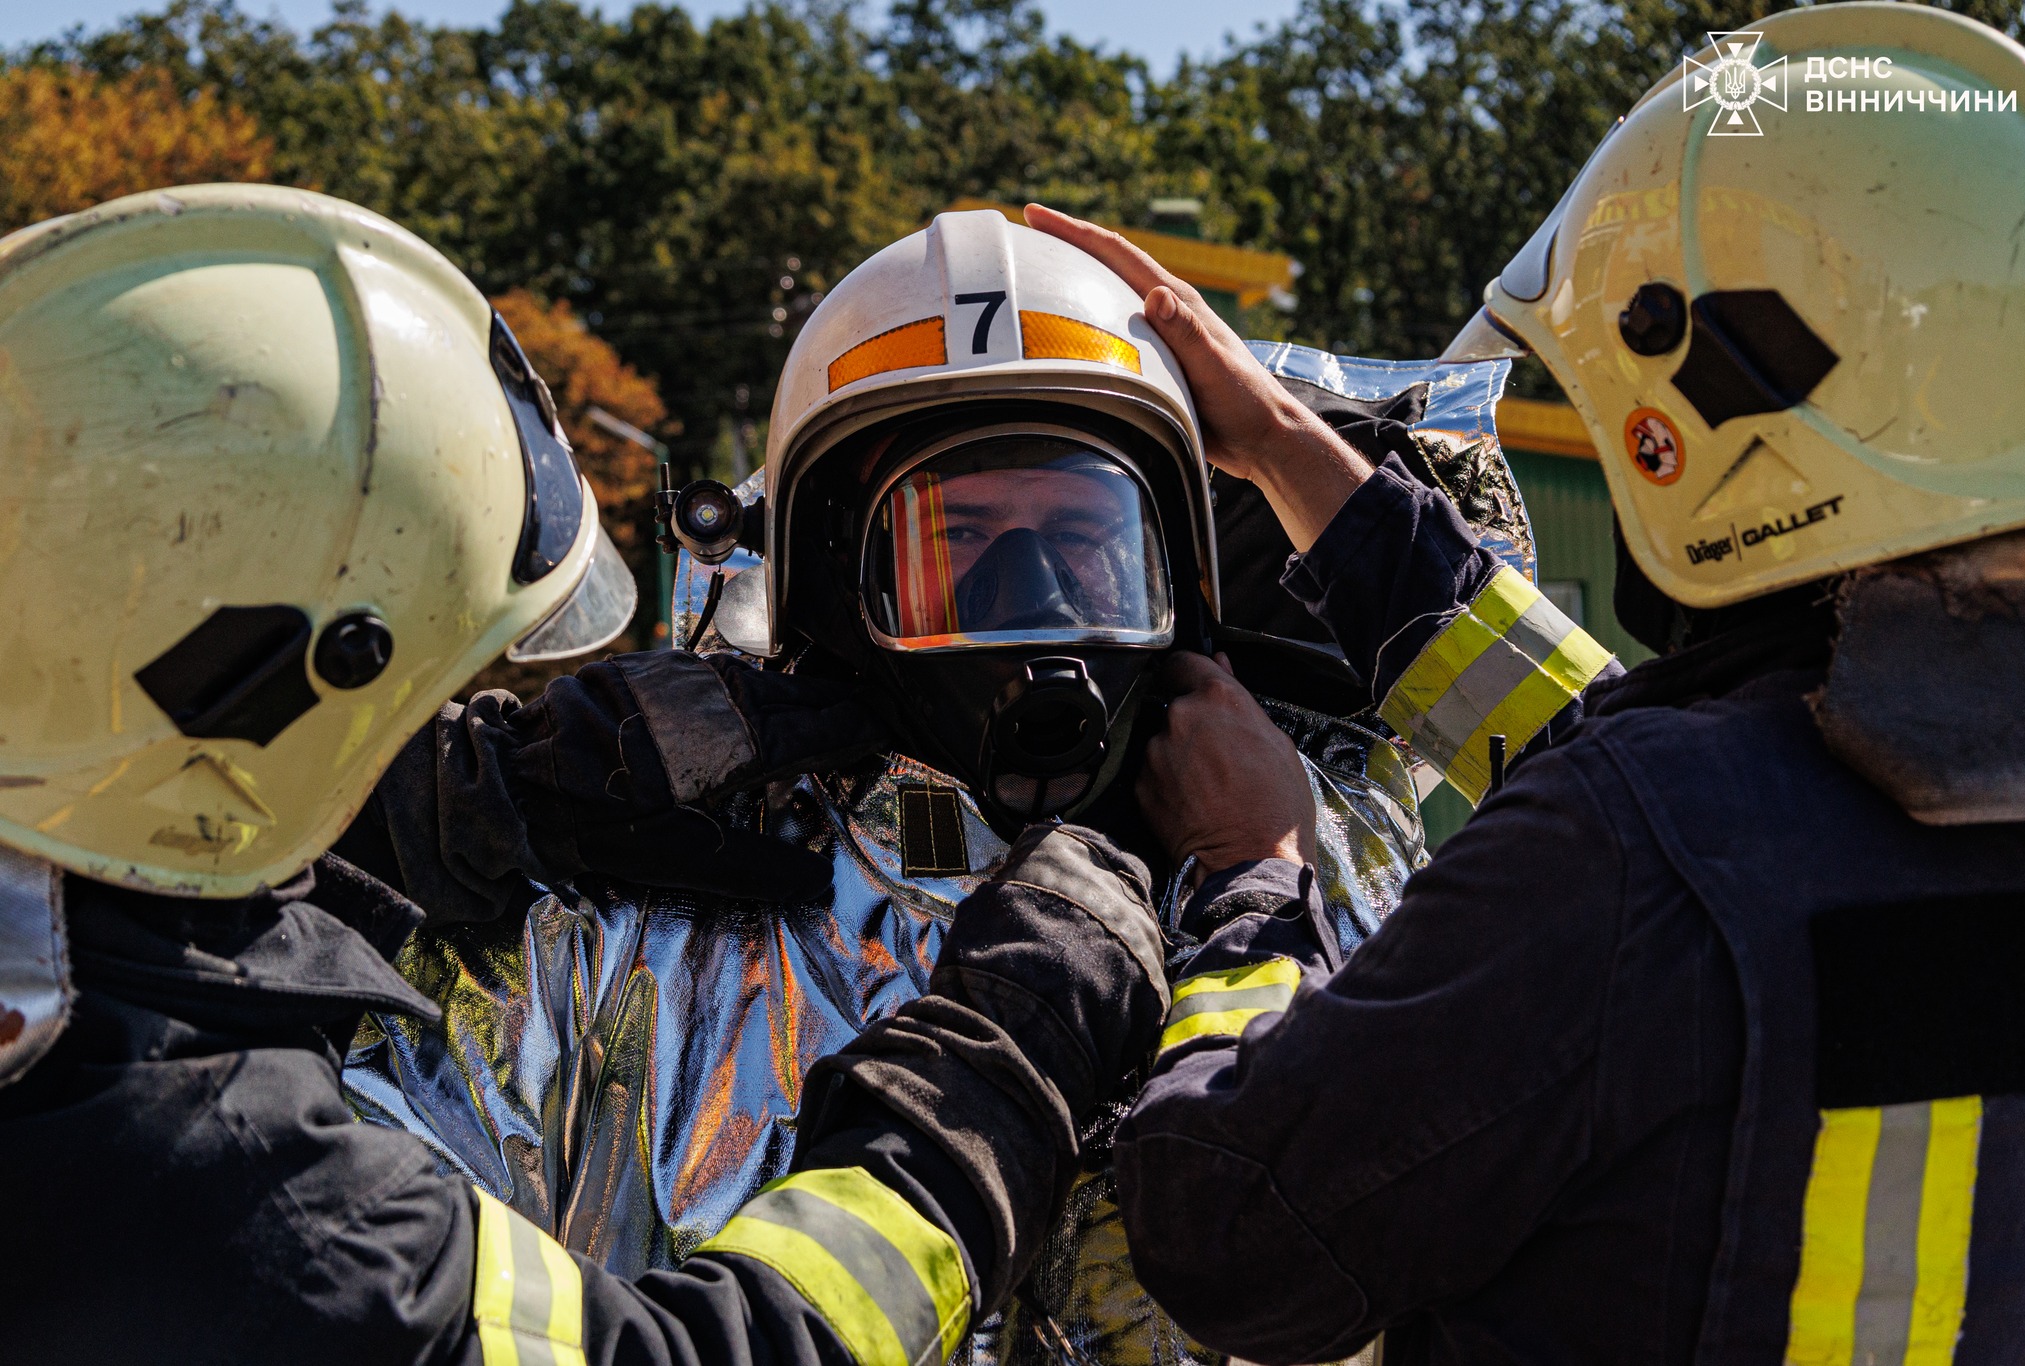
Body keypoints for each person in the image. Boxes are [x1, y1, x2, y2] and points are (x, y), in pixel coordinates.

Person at [0, 183, 1173, 1366]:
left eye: (1084, 542)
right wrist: (995, 1075)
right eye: (429, 702)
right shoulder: (248, 1197)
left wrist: (451, 798)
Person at [1030, 5, 2025, 1362]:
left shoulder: (1633, 853)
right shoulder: (1852, 789)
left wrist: (1256, 872)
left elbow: (1231, 1234)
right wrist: (1285, 447)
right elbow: (1668, 772)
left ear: (1721, 413)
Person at [345, 208, 1535, 1364]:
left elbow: (1636, 791)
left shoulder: (1347, 877)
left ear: (1175, 577)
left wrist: (1256, 882)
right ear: (831, 591)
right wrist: (404, 821)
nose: (1037, 601)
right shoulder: (605, 943)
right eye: (956, 542)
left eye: (1083, 541)